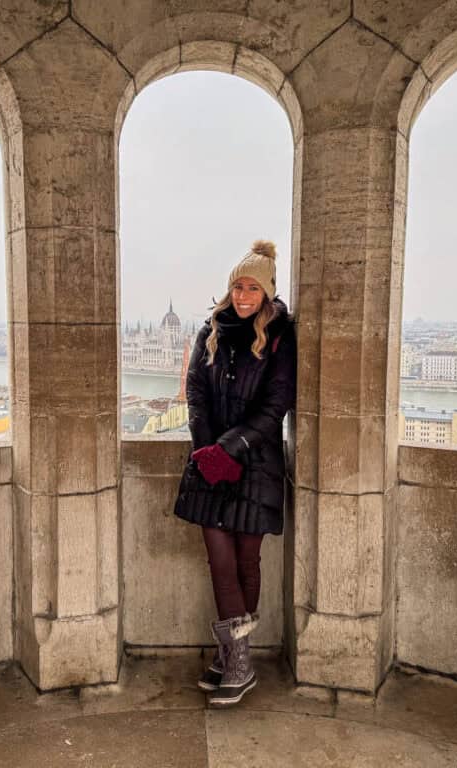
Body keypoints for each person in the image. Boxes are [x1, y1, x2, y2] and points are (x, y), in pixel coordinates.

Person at [173, 239, 296, 707]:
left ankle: (235, 662)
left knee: (247, 561)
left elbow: (275, 405)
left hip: (256, 464)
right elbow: (196, 391)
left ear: (266, 292)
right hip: (211, 465)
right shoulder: (211, 331)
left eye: (252, 288)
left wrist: (232, 449)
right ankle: (236, 659)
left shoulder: (281, 338)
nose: (243, 296)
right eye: (237, 287)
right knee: (220, 561)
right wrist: (208, 452)